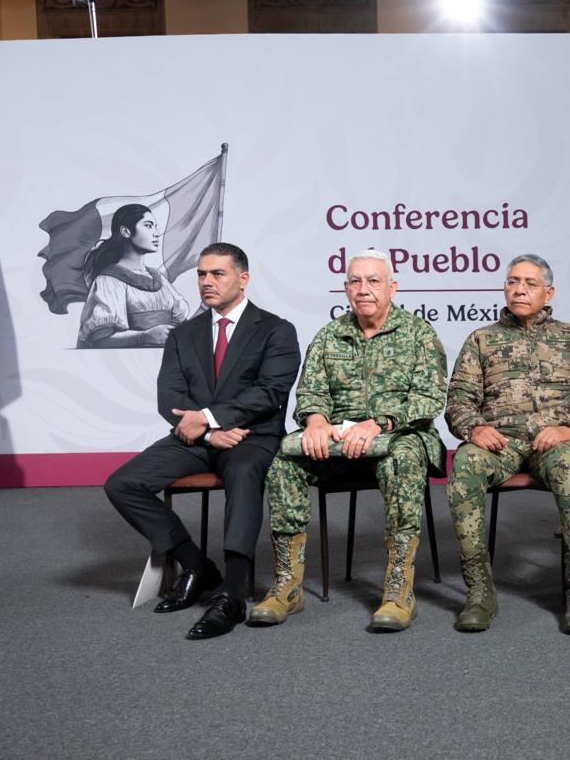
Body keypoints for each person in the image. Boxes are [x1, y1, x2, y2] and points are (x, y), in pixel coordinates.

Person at [103, 242, 300, 640]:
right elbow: (170, 397)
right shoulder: (183, 334)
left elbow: (270, 392)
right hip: (195, 439)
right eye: (201, 274)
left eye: (217, 274)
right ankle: (196, 566)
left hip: (251, 438)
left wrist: (211, 417)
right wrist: (209, 432)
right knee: (122, 483)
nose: (206, 282)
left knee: (243, 473)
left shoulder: (276, 329)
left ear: (243, 279)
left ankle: (232, 593)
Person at [248, 249, 447, 632]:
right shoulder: (329, 336)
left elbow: (429, 398)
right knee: (284, 463)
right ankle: (288, 585)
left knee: (402, 458)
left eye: (373, 281)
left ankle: (398, 591)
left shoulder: (419, 334)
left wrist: (380, 423)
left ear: (392, 287)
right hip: (338, 441)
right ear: (345, 288)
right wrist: (316, 422)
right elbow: (310, 392)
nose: (363, 289)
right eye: (355, 281)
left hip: (400, 435)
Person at [444, 254, 570, 634]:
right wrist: (474, 429)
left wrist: (569, 428)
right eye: (512, 281)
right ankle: (480, 592)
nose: (519, 289)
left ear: (548, 293)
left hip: (555, 442)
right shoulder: (481, 340)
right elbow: (458, 401)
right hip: (498, 442)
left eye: (530, 283)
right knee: (464, 467)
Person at [77, 204, 189, 348]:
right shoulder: (109, 281)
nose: (156, 233)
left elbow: (181, 324)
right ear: (126, 231)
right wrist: (144, 337)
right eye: (148, 226)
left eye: (155, 227)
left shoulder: (159, 279)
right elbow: (100, 339)